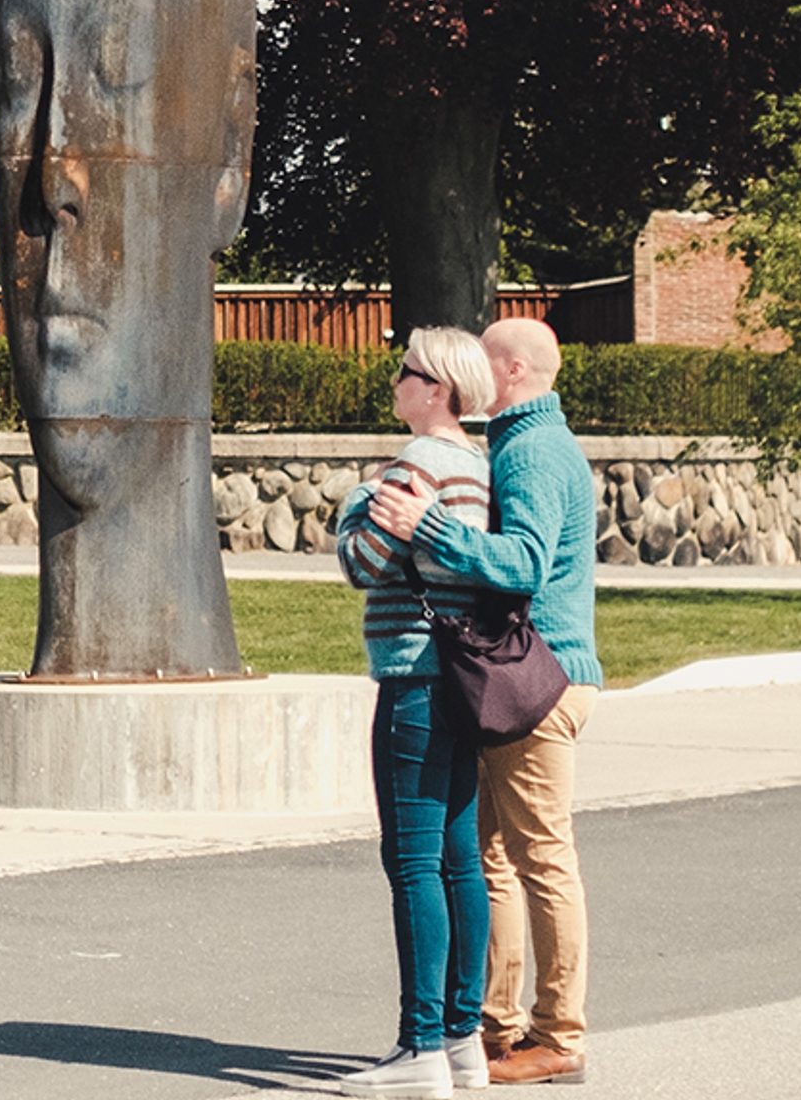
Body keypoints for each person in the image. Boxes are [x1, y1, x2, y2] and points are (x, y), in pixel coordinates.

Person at [377, 316, 602, 1086]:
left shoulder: (533, 450)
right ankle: (493, 1027)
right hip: (526, 675)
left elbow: (525, 566)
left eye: (483, 353)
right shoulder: (520, 445)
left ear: (507, 373)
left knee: (538, 856)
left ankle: (558, 1034)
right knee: (493, 858)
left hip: (538, 680)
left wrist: (430, 524)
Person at [330, 325, 504, 1097]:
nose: (393, 380)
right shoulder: (476, 464)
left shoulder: (417, 465)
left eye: (404, 371)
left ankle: (419, 1045)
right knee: (459, 857)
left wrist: (357, 501)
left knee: (412, 863)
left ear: (434, 388)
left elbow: (362, 563)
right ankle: (464, 1037)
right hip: (463, 680)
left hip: (414, 676)